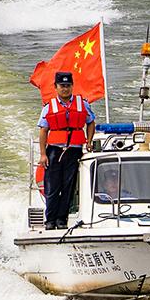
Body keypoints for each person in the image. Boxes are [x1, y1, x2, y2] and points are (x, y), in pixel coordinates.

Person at [36, 70, 96, 230]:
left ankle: (62, 220)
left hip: (74, 151)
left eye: (68, 85)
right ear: (55, 87)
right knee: (52, 187)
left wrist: (89, 141)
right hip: (54, 151)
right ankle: (50, 220)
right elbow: (43, 130)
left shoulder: (82, 104)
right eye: (62, 85)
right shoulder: (49, 107)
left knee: (68, 187)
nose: (65, 89)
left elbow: (91, 122)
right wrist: (43, 154)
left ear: (72, 86)